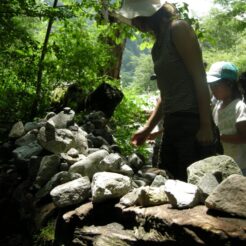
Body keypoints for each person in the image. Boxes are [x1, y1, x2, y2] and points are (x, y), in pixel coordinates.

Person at [116, 0, 218, 181]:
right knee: (169, 181)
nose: (135, 24)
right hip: (172, 123)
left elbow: (199, 78)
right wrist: (148, 127)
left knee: (194, 183)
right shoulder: (157, 47)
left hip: (193, 121)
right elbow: (165, 93)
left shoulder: (178, 29)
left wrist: (205, 125)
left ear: (151, 14)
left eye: (137, 18)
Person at [207, 61, 246, 175]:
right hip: (225, 165)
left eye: (216, 85)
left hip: (241, 165)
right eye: (211, 85)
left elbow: (244, 137)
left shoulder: (239, 107)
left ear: (230, 84)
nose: (212, 89)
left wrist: (220, 138)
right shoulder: (217, 107)